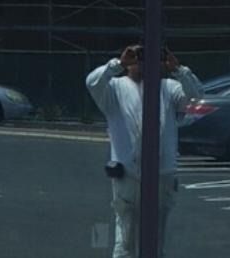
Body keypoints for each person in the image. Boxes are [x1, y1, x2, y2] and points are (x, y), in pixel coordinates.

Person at [86, 44, 203, 258]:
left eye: (148, 57)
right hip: (127, 174)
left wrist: (178, 70)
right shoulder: (114, 88)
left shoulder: (169, 87)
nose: (142, 62)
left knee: (155, 238)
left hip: (162, 173)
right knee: (126, 237)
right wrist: (118, 64)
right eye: (137, 57)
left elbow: (195, 101)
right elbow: (92, 82)